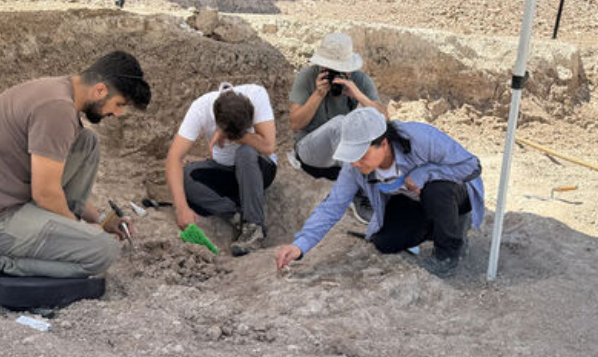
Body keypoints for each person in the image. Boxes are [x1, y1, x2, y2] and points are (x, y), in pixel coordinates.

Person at [0, 51, 151, 278]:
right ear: (100, 90)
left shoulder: (58, 92)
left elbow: (56, 188)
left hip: (4, 205)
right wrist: (82, 231)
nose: (118, 113)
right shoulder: (57, 109)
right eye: (118, 104)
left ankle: (62, 231)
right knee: (103, 250)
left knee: (86, 142)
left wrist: (101, 220)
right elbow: (45, 193)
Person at [275, 107, 484, 278]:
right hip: (413, 201)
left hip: (454, 193)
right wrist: (299, 246)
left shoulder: (421, 138)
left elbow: (472, 166)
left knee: (437, 190)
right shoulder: (354, 166)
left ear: (383, 143)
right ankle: (448, 227)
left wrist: (426, 173)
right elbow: (333, 205)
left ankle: (448, 253)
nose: (355, 162)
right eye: (351, 155)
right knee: (385, 242)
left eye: (362, 155)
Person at [165, 82, 277, 257]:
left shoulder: (257, 94)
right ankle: (237, 216)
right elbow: (174, 157)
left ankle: (254, 226)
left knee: (245, 152)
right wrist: (181, 208)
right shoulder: (200, 108)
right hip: (225, 172)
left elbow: (268, 146)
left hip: (258, 170)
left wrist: (240, 136)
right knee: (187, 175)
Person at [288, 32, 387, 224]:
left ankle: (370, 185)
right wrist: (317, 94)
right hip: (311, 153)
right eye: (330, 69)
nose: (335, 75)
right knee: (342, 123)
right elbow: (295, 124)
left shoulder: (359, 80)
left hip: (341, 160)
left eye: (340, 70)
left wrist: (358, 95)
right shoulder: (307, 77)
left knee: (372, 127)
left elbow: (384, 119)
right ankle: (358, 194)